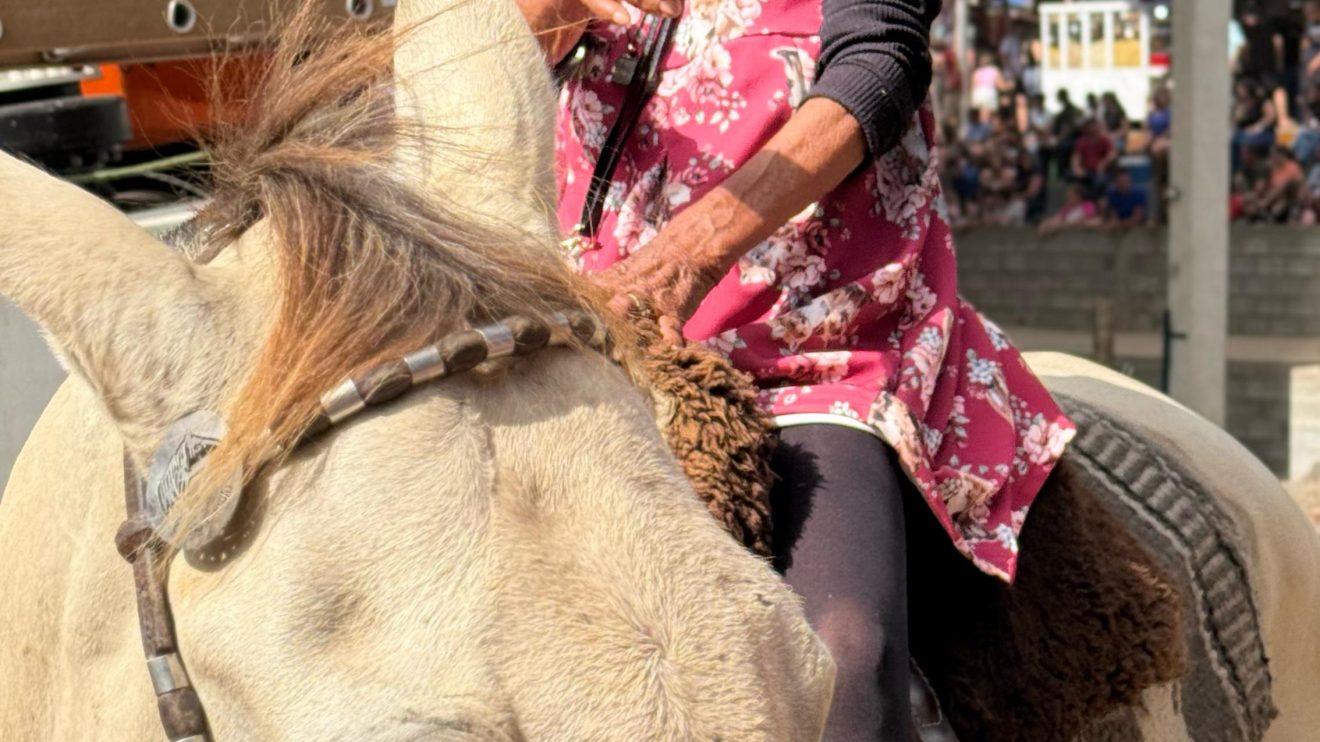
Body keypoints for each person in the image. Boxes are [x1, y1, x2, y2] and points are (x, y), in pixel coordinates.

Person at [525, 0, 1076, 738]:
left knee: (843, 651)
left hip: (815, 346)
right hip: (580, 338)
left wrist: (689, 253)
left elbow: (878, 65)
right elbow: (478, 56)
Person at [1071, 118, 1116, 196]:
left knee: (1100, 182)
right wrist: (1076, 168)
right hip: (1086, 171)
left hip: (1102, 171)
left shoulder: (1104, 140)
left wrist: (1103, 163)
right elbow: (1076, 157)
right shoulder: (1082, 142)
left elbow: (1112, 154)